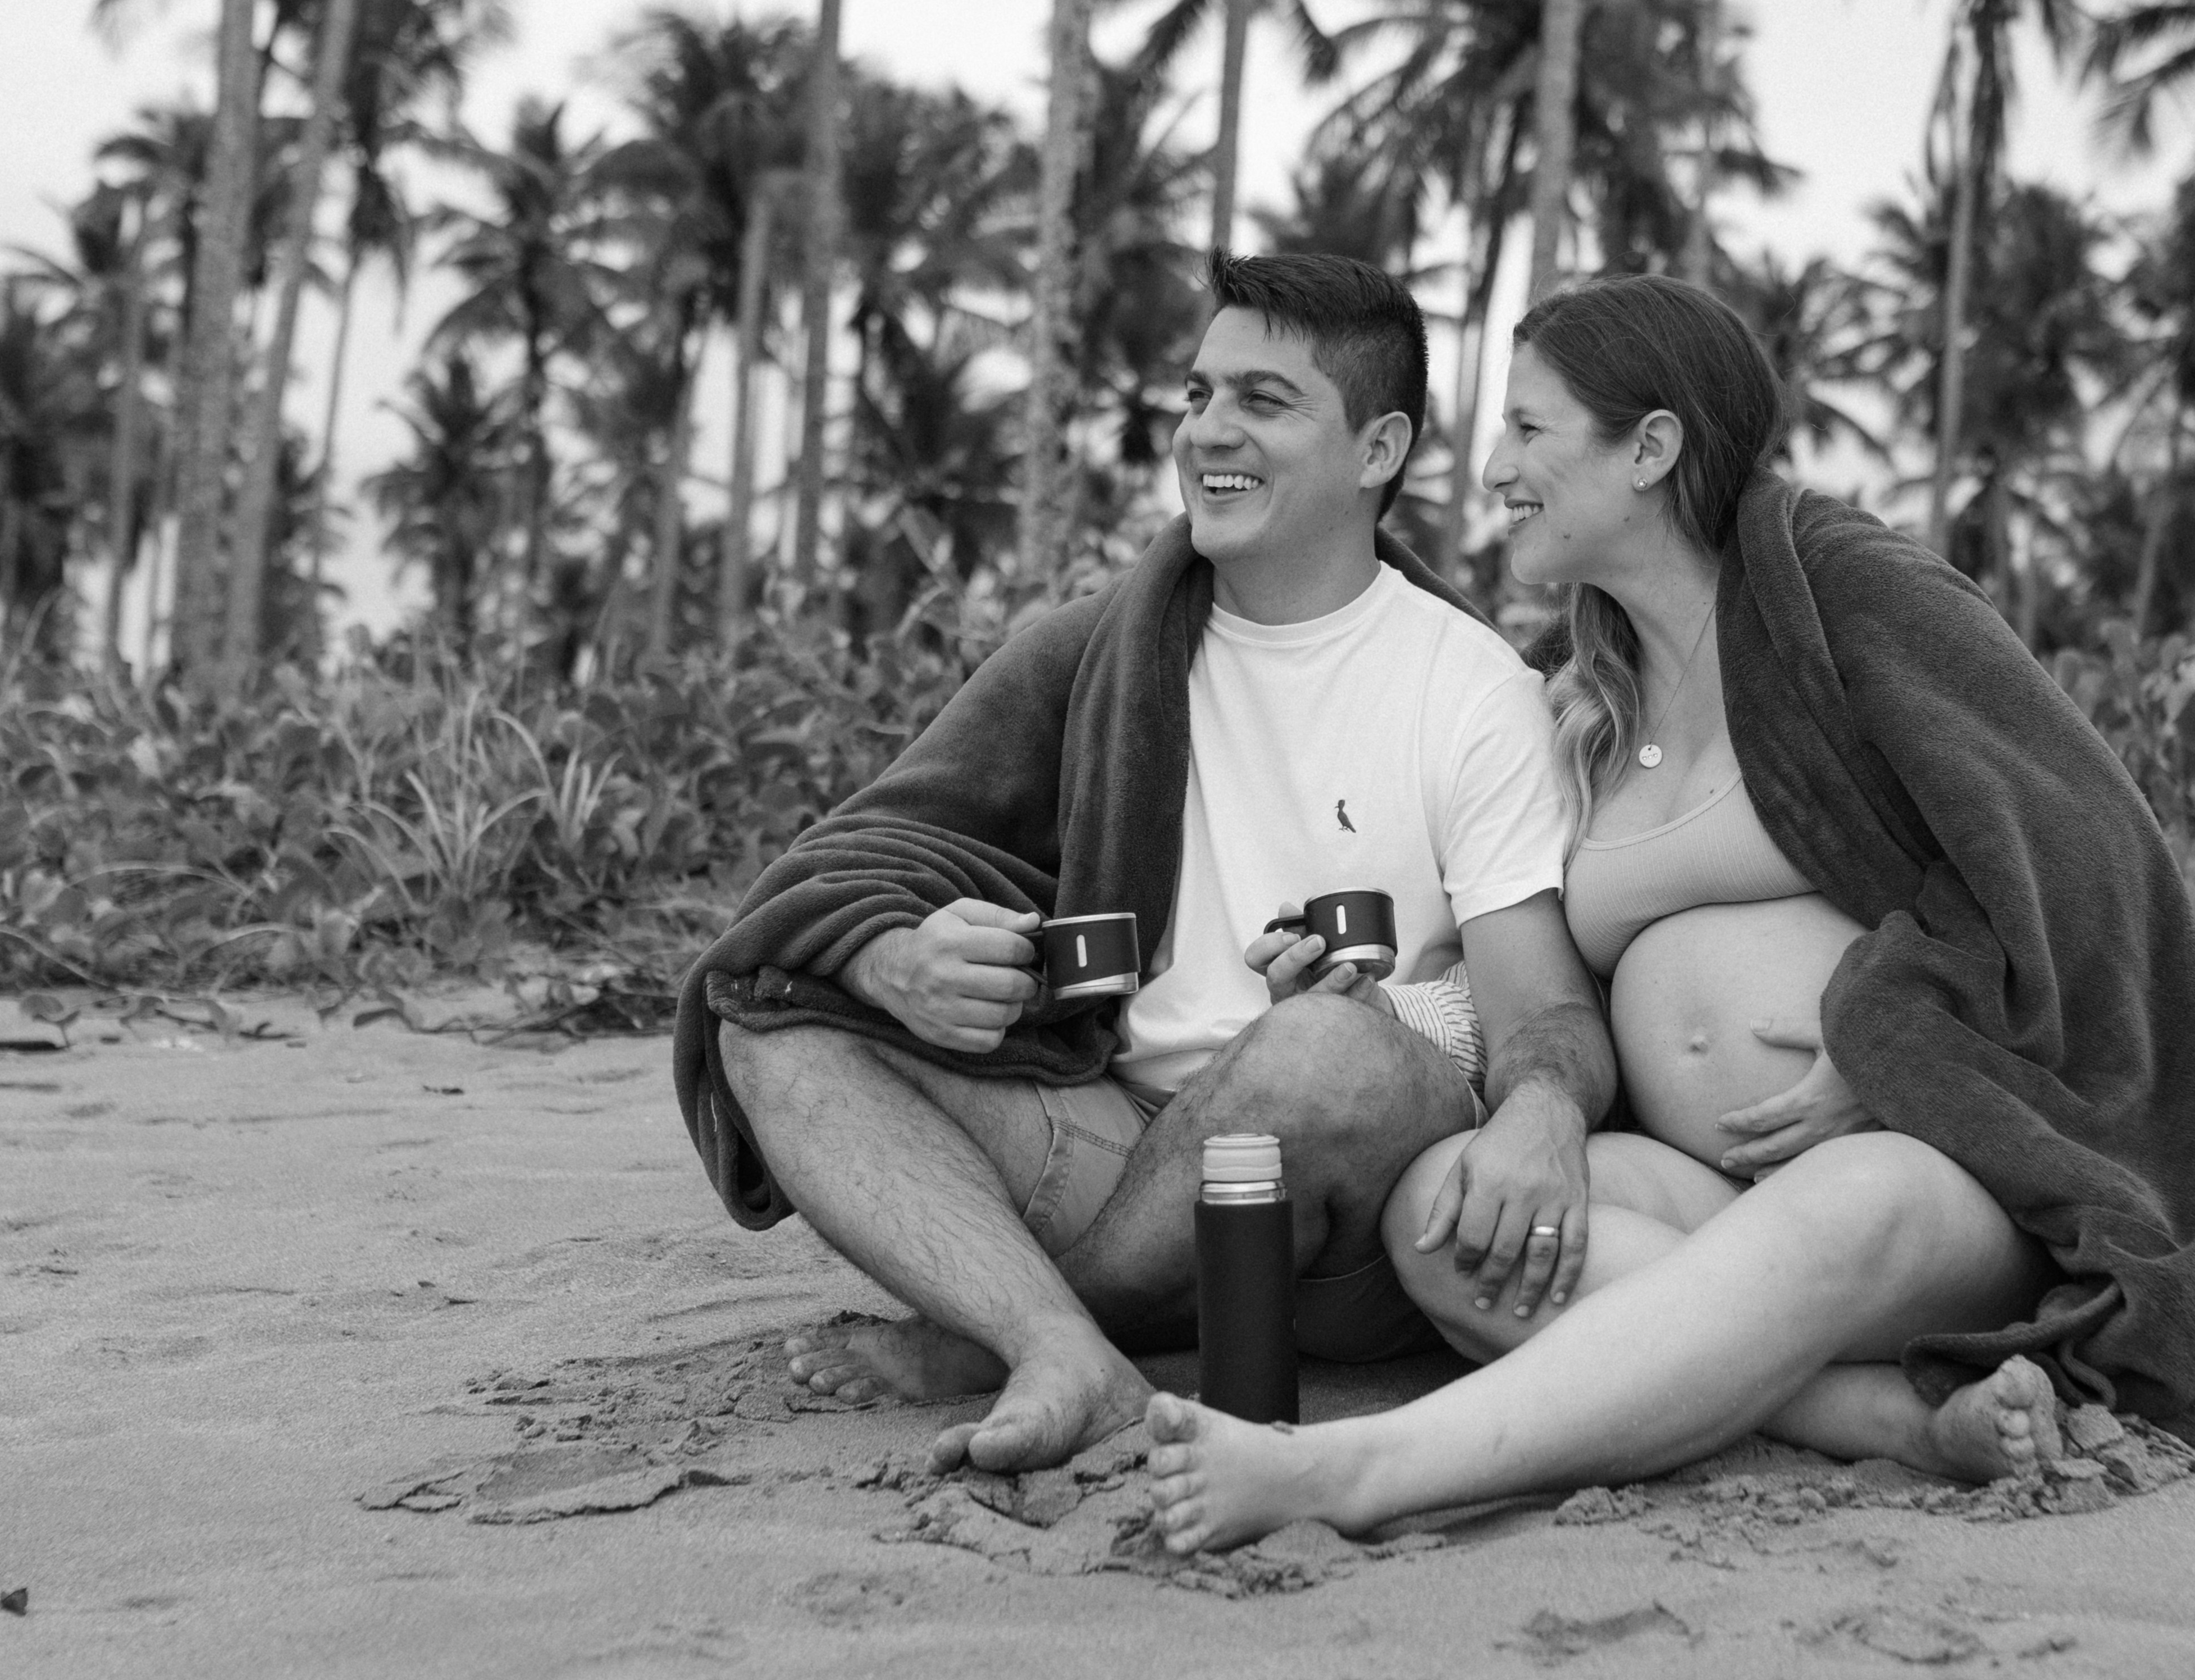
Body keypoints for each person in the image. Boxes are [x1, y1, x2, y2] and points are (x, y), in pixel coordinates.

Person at [1142, 274, 2195, 1553]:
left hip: (1931, 1176)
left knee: (1840, 1209)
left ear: (1650, 447)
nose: (1493, 470)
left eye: (1530, 430)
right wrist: (1381, 1005)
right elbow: (1519, 975)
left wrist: (1902, 1042)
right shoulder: (1574, 694)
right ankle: (1905, 1421)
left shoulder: (1847, 594)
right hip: (1706, 1181)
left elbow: (2081, 848)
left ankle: (1359, 1471)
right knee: (1447, 1212)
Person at [674, 252, 1615, 1475]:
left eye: (1263, 403)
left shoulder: (1469, 688)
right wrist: (895, 953)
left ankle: (997, 1316)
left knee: (1316, 1052)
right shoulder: (1092, 653)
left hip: (1337, 1207)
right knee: (771, 1027)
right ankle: (1061, 1343)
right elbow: (847, 863)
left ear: (1377, 451)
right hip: (1107, 1129)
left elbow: (1544, 1008)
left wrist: (1536, 1106)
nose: (1208, 433)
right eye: (1196, 395)